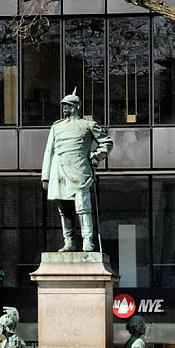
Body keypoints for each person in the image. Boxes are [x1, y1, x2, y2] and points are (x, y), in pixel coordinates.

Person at [41, 89, 113, 253]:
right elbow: (49, 152)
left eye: (67, 105)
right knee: (64, 209)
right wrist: (45, 177)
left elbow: (106, 142)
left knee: (83, 207)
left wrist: (97, 156)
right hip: (59, 172)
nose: (64, 108)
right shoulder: (56, 127)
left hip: (79, 170)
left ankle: (87, 241)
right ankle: (69, 242)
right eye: (63, 105)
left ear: (76, 106)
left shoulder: (87, 125)